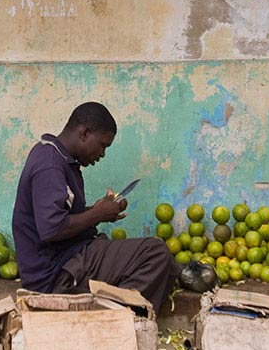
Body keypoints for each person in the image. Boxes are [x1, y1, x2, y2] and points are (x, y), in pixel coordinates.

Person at [11, 101, 176, 310]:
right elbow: (52, 227)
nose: (102, 154)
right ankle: (111, 318)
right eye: (103, 145)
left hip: (71, 256)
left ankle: (116, 310)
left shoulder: (59, 158)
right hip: (55, 274)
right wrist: (97, 214)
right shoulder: (50, 164)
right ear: (85, 133)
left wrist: (97, 212)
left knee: (168, 266)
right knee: (155, 252)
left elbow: (61, 216)